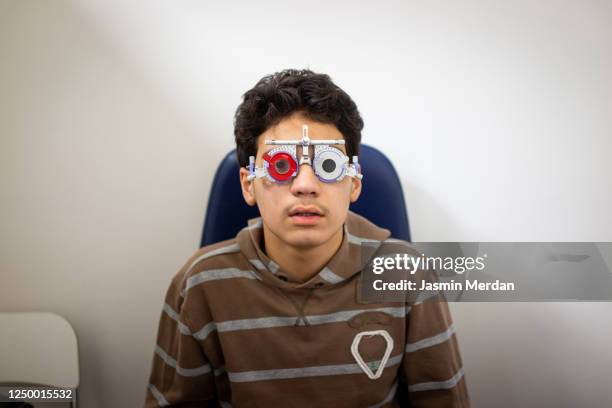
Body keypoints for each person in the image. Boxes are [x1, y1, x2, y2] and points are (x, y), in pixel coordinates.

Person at [144, 69, 469, 407]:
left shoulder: (407, 274)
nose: (305, 185)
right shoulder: (199, 283)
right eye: (280, 165)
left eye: (327, 166)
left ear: (354, 183)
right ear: (247, 184)